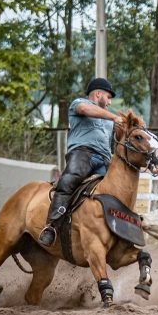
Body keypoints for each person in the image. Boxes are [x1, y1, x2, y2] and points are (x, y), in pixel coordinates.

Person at [39, 78, 123, 246]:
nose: (109, 102)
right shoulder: (79, 104)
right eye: (108, 97)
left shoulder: (108, 119)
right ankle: (51, 226)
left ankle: (119, 230)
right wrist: (114, 117)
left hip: (105, 160)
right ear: (98, 94)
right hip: (82, 153)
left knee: (118, 192)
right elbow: (85, 109)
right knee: (69, 180)